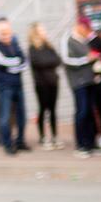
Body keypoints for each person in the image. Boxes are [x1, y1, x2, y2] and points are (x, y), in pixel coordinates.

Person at [0, 18, 30, 155]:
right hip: (3, 86)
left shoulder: (15, 42)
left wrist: (13, 66)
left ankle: (20, 141)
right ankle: (7, 144)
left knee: (22, 115)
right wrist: (15, 64)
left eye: (8, 32)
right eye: (2, 32)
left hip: (18, 85)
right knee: (4, 116)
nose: (6, 35)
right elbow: (0, 61)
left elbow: (24, 61)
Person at [62, 16, 99, 158]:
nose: (87, 32)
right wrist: (86, 59)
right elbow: (66, 60)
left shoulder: (84, 41)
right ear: (79, 27)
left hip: (89, 81)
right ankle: (81, 145)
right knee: (81, 112)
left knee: (90, 112)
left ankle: (90, 143)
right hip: (78, 83)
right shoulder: (68, 39)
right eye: (86, 29)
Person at [28, 22, 63, 150]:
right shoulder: (32, 48)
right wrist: (50, 62)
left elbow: (58, 60)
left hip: (53, 82)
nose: (44, 32)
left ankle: (54, 136)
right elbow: (39, 63)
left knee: (53, 110)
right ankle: (43, 137)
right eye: (42, 30)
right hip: (41, 84)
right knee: (43, 109)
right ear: (36, 32)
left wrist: (48, 62)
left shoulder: (49, 46)